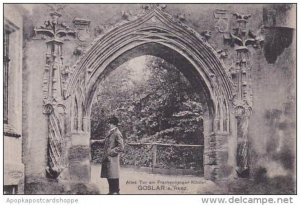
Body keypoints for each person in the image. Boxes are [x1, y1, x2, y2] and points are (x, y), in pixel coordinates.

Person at [91, 115, 124, 194]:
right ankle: (111, 191)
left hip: (112, 158)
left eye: (110, 123)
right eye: (109, 123)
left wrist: (110, 152)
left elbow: (121, 147)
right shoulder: (111, 132)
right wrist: (95, 141)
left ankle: (115, 192)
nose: (109, 124)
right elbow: (104, 141)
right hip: (108, 159)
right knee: (109, 175)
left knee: (113, 175)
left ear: (114, 124)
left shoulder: (117, 133)